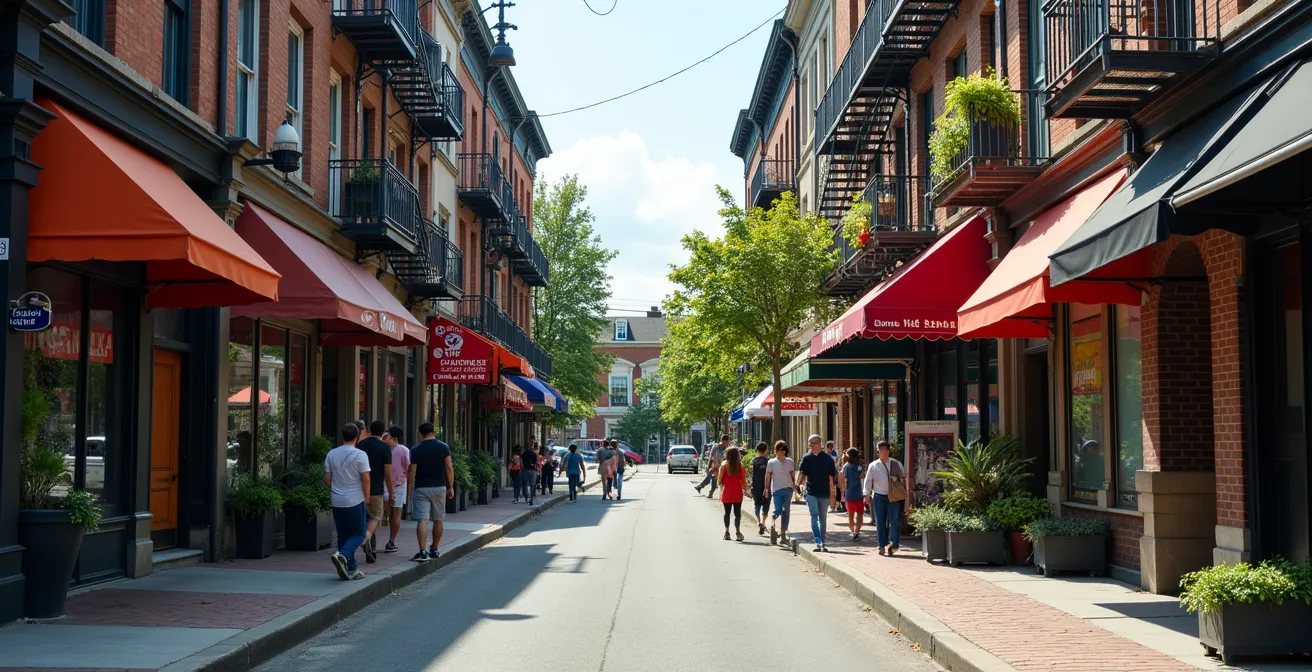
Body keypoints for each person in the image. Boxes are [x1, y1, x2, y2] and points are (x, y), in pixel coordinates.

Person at [324, 423, 370, 580]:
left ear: (342, 436)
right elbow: (366, 479)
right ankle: (342, 555)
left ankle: (352, 569)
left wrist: (337, 487)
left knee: (343, 535)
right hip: (355, 499)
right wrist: (367, 497)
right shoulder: (360, 455)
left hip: (337, 500)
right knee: (359, 533)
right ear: (357, 436)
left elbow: (327, 479)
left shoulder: (331, 454)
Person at [406, 422, 453, 562]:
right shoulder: (443, 447)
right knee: (438, 518)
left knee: (422, 520)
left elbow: (411, 472)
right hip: (439, 487)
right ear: (434, 432)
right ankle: (434, 549)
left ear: (421, 433)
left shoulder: (416, 450)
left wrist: (409, 491)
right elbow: (449, 467)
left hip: (421, 487)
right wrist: (450, 486)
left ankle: (422, 551)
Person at [356, 420, 393, 563]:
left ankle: (370, 548)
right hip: (376, 489)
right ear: (384, 432)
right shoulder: (385, 448)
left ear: (370, 430)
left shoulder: (361, 445)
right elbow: (388, 473)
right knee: (375, 518)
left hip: (360, 488)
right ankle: (368, 543)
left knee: (365, 518)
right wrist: (391, 492)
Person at [863, 440, 907, 555]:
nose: (881, 452)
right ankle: (881, 545)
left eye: (883, 449)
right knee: (880, 522)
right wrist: (866, 494)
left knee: (895, 520)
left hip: (894, 497)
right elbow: (868, 480)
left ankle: (894, 544)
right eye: (879, 450)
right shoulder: (873, 465)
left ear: (888, 450)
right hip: (878, 496)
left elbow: (903, 478)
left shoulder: (896, 463)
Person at [796, 434, 838, 552]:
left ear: (818, 444)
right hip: (811, 492)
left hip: (824, 493)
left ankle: (823, 542)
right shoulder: (806, 458)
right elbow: (802, 473)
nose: (809, 446)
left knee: (823, 519)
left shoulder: (828, 459)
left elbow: (831, 477)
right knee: (814, 516)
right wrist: (797, 485)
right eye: (809, 444)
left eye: (811, 444)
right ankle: (818, 542)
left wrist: (833, 494)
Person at [383, 426, 410, 553]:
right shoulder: (403, 450)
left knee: (394, 513)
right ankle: (390, 541)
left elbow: (409, 468)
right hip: (395, 485)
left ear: (394, 438)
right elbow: (408, 468)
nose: (385, 437)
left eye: (387, 435)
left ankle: (391, 541)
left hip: (393, 485)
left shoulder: (401, 450)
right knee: (394, 513)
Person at [764, 441, 794, 546]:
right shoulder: (771, 462)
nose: (781, 451)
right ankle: (773, 525)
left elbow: (792, 474)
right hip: (776, 490)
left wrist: (794, 486)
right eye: (779, 449)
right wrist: (766, 488)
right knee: (778, 510)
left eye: (783, 449)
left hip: (788, 489)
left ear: (785, 451)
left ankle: (783, 535)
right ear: (775, 451)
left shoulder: (790, 461)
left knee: (786, 512)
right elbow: (768, 475)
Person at [718, 447, 749, 541]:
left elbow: (719, 479)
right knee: (737, 513)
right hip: (737, 492)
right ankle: (738, 532)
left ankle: (727, 532)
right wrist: (747, 491)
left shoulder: (724, 465)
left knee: (726, 513)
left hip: (726, 492)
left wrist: (722, 485)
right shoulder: (740, 466)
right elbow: (743, 481)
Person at [839, 448, 866, 541]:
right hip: (859, 493)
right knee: (860, 514)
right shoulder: (860, 466)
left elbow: (843, 481)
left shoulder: (846, 466)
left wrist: (842, 494)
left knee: (850, 515)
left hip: (849, 493)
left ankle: (852, 531)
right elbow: (862, 478)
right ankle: (857, 531)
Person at [749, 442, 770, 536]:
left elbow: (752, 473)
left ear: (757, 450)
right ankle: (764, 522)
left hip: (756, 486)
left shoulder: (754, 461)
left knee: (756, 505)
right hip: (766, 487)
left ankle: (758, 521)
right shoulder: (768, 461)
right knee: (766, 505)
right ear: (766, 450)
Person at [825, 440, 841, 513]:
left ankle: (834, 506)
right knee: (832, 490)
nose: (834, 447)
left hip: (833, 473)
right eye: (833, 446)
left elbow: (834, 463)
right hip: (831, 473)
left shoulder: (833, 453)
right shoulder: (828, 454)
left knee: (834, 490)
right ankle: (833, 506)